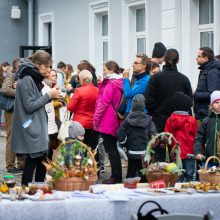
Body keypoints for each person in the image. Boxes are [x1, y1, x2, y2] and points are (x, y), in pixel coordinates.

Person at [11, 51, 60, 186]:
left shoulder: (32, 77)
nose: (49, 70)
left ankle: (38, 192)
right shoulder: (27, 79)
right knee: (32, 163)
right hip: (32, 128)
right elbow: (29, 106)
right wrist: (49, 95)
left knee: (41, 163)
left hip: (37, 127)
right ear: (38, 64)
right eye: (47, 67)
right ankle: (25, 193)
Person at [145, 48, 193, 132]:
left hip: (160, 122)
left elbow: (149, 101)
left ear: (164, 59)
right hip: (180, 123)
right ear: (178, 61)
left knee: (161, 144)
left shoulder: (155, 78)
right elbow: (189, 102)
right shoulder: (184, 79)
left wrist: (156, 113)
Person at [94, 60, 123, 184]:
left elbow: (103, 102)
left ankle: (116, 177)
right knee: (112, 148)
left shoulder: (111, 84)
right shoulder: (118, 82)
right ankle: (116, 175)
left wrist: (96, 118)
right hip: (114, 118)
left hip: (107, 119)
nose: (103, 71)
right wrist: (101, 84)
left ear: (111, 70)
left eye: (105, 69)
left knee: (111, 149)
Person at [117, 94, 157, 181]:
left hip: (131, 152)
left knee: (130, 176)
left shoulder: (127, 119)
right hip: (145, 153)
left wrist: (125, 144)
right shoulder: (148, 120)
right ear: (144, 106)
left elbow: (120, 135)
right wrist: (150, 148)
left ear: (133, 105)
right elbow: (154, 135)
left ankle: (129, 191)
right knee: (144, 177)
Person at [164, 92, 198, 182]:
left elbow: (167, 137)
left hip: (175, 153)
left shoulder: (170, 120)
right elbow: (196, 137)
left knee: (177, 177)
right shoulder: (191, 120)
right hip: (189, 154)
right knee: (190, 176)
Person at [1, 58, 25, 174]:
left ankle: (21, 164)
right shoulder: (11, 75)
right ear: (17, 68)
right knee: (11, 138)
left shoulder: (19, 76)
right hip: (12, 111)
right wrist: (20, 92)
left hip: (19, 111)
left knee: (20, 137)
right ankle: (10, 166)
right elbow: (5, 89)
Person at [67, 69, 99, 154]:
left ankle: (80, 166)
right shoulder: (98, 90)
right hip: (93, 123)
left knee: (79, 150)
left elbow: (70, 107)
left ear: (81, 79)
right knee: (90, 148)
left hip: (80, 124)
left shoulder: (78, 91)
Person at [194, 47, 220, 120]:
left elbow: (214, 94)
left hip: (206, 114)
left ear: (206, 58)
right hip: (203, 112)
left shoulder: (212, 72)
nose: (196, 58)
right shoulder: (206, 70)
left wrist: (195, 94)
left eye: (199, 56)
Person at [194, 91, 220, 162]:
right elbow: (199, 138)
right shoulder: (206, 121)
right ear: (211, 105)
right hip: (209, 159)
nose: (219, 104)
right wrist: (198, 152)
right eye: (216, 102)